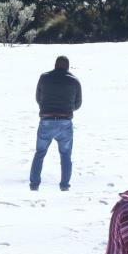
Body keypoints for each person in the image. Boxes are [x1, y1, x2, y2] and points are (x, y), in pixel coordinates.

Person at [31, 56, 82, 191]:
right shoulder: (74, 81)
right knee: (65, 155)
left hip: (46, 120)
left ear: (55, 65)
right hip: (65, 121)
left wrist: (47, 107)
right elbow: (78, 104)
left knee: (40, 153)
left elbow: (38, 98)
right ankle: (64, 186)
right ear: (68, 66)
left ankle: (34, 185)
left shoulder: (44, 77)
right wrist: (67, 108)